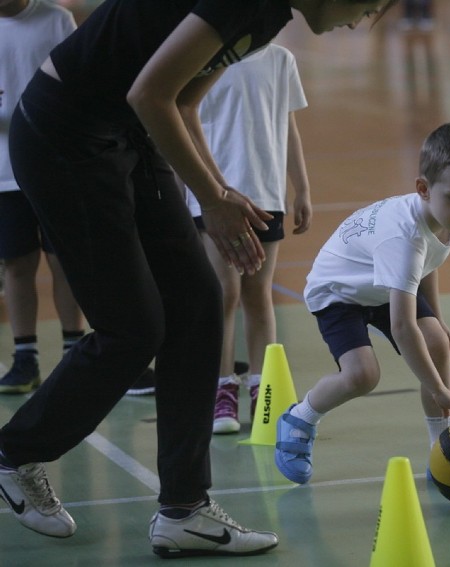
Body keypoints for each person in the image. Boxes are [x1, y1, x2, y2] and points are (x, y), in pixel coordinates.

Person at [0, 0, 398, 558]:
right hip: (66, 133)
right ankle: (13, 453)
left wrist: (221, 190)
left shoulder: (270, 15)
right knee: (133, 329)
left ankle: (184, 509)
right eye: (370, 4)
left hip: (130, 134)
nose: (365, 18)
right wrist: (211, 200)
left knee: (198, 303)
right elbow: (150, 93)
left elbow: (184, 101)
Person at [275, 122, 450, 484]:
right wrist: (440, 389)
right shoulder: (403, 238)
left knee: (436, 341)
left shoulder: (447, 219)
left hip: (384, 285)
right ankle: (300, 417)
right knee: (362, 375)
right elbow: (403, 326)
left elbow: (427, 264)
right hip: (340, 291)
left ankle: (441, 453)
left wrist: (436, 318)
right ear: (423, 189)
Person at [185, 43, 312, 434]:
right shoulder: (201, 56)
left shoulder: (281, 58)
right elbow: (185, 127)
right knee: (225, 293)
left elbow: (287, 126)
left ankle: (263, 390)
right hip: (215, 198)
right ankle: (222, 390)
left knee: (258, 294)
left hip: (265, 194)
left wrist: (301, 187)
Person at [0, 0, 82, 396]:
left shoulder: (56, 20)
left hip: (54, 164)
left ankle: (74, 348)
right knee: (17, 263)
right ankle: (25, 357)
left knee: (63, 258)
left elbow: (79, 83)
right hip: (2, 172)